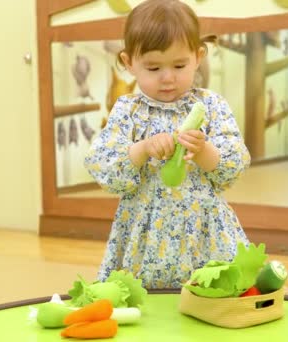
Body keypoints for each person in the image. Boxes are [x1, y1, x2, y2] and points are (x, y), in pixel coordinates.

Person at [84, 0, 251, 289]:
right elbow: (105, 168)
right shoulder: (129, 110)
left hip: (203, 228)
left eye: (179, 65)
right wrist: (143, 148)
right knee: (145, 303)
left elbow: (232, 167)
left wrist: (203, 151)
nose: (168, 77)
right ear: (129, 63)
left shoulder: (210, 105)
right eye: (153, 67)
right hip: (145, 230)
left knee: (213, 296)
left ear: (198, 57)